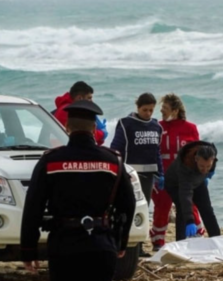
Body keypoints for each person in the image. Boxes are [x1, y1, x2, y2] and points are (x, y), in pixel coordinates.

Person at [20, 100, 136, 281]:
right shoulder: (114, 161)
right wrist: (121, 242)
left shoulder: (51, 161)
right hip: (101, 245)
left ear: (66, 127)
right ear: (93, 130)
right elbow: (128, 204)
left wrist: (29, 249)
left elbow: (33, 207)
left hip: (63, 246)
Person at [110, 92, 164, 257]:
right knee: (126, 210)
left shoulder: (157, 127)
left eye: (151, 110)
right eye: (145, 110)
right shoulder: (126, 124)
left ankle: (138, 247)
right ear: (138, 107)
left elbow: (157, 153)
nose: (148, 113)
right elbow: (116, 148)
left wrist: (161, 173)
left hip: (148, 176)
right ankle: (121, 245)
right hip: (130, 175)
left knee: (143, 209)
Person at [150, 93, 206, 251]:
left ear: (175, 111)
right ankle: (158, 242)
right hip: (162, 175)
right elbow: (151, 151)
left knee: (190, 205)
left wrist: (201, 175)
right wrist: (155, 174)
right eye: (161, 109)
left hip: (185, 176)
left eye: (165, 109)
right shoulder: (157, 127)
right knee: (162, 208)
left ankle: (197, 237)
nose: (162, 111)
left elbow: (198, 153)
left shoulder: (190, 128)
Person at [164, 140, 220, 241]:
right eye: (202, 166)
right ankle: (181, 242)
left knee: (207, 209)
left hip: (198, 181)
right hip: (175, 184)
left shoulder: (212, 154)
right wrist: (190, 221)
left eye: (208, 166)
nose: (205, 170)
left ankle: (217, 239)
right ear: (196, 159)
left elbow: (210, 165)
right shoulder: (185, 166)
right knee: (182, 209)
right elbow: (186, 196)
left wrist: (210, 171)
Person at [53, 81, 108, 145]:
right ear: (80, 98)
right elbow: (83, 135)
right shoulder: (69, 111)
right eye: (89, 98)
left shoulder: (65, 108)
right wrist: (102, 133)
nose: (91, 101)